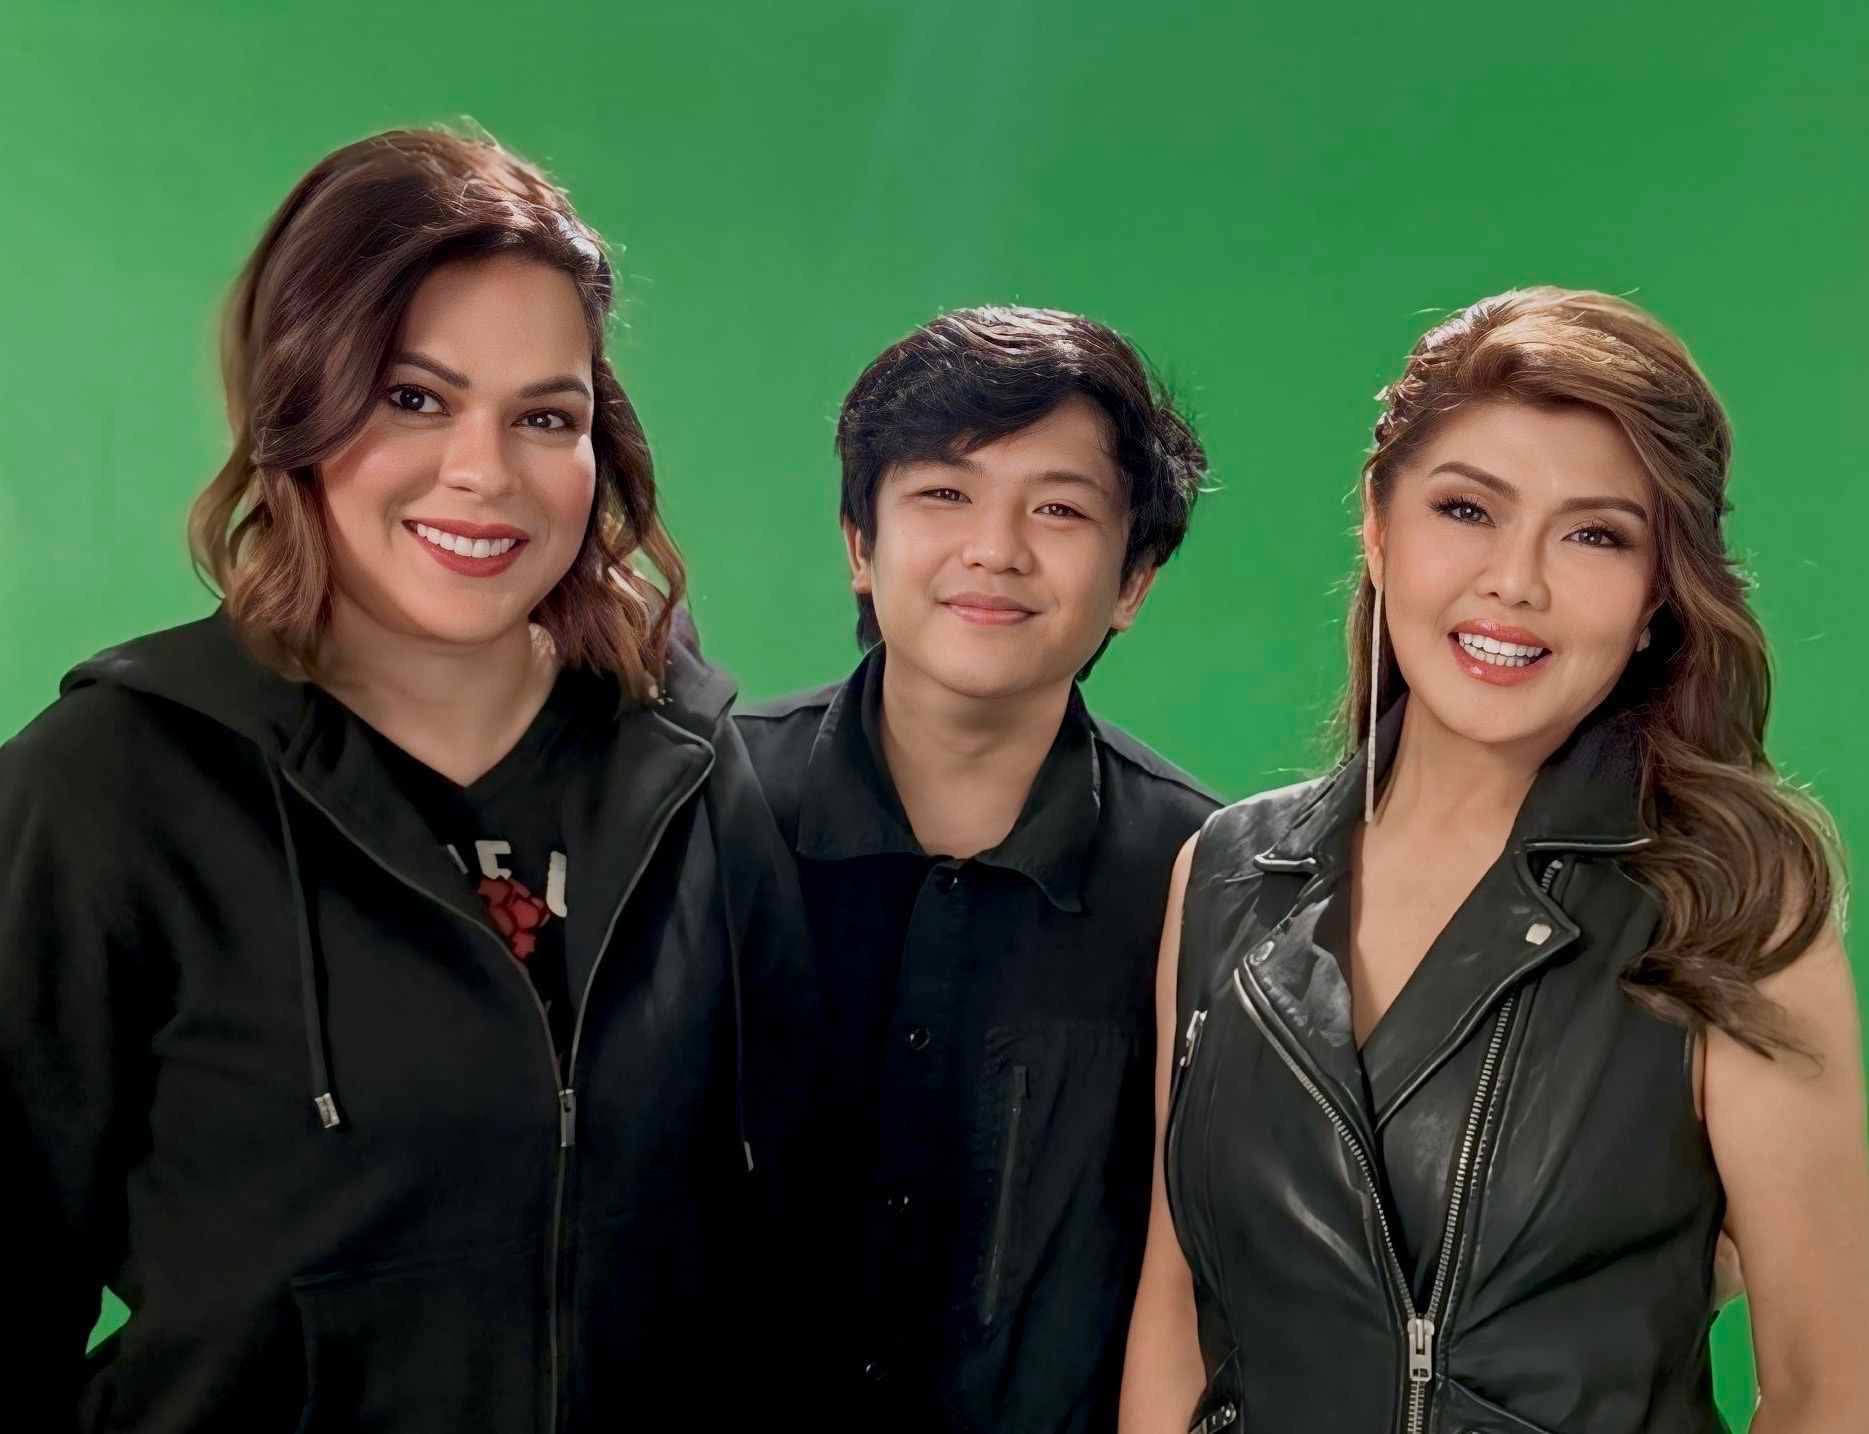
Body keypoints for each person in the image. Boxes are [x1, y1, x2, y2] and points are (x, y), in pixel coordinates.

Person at [0, 127, 816, 1430]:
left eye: (544, 416)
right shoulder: (109, 786)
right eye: (414, 398)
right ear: (298, 399)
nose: (484, 473)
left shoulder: (693, 770)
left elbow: (777, 1260)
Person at [1120, 288, 1869, 1434]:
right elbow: (1175, 1321)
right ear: (1379, 530)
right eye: (1467, 509)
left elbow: (1830, 1389)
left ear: (1659, 595)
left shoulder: (1730, 898)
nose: (1516, 582)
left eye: (1594, 534)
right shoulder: (1225, 871)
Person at [737, 306, 1219, 1431]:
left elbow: (1198, 1281)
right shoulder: (704, 809)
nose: (995, 549)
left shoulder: (1204, 881)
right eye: (944, 493)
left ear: (1134, 580)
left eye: (1058, 508)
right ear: (860, 546)